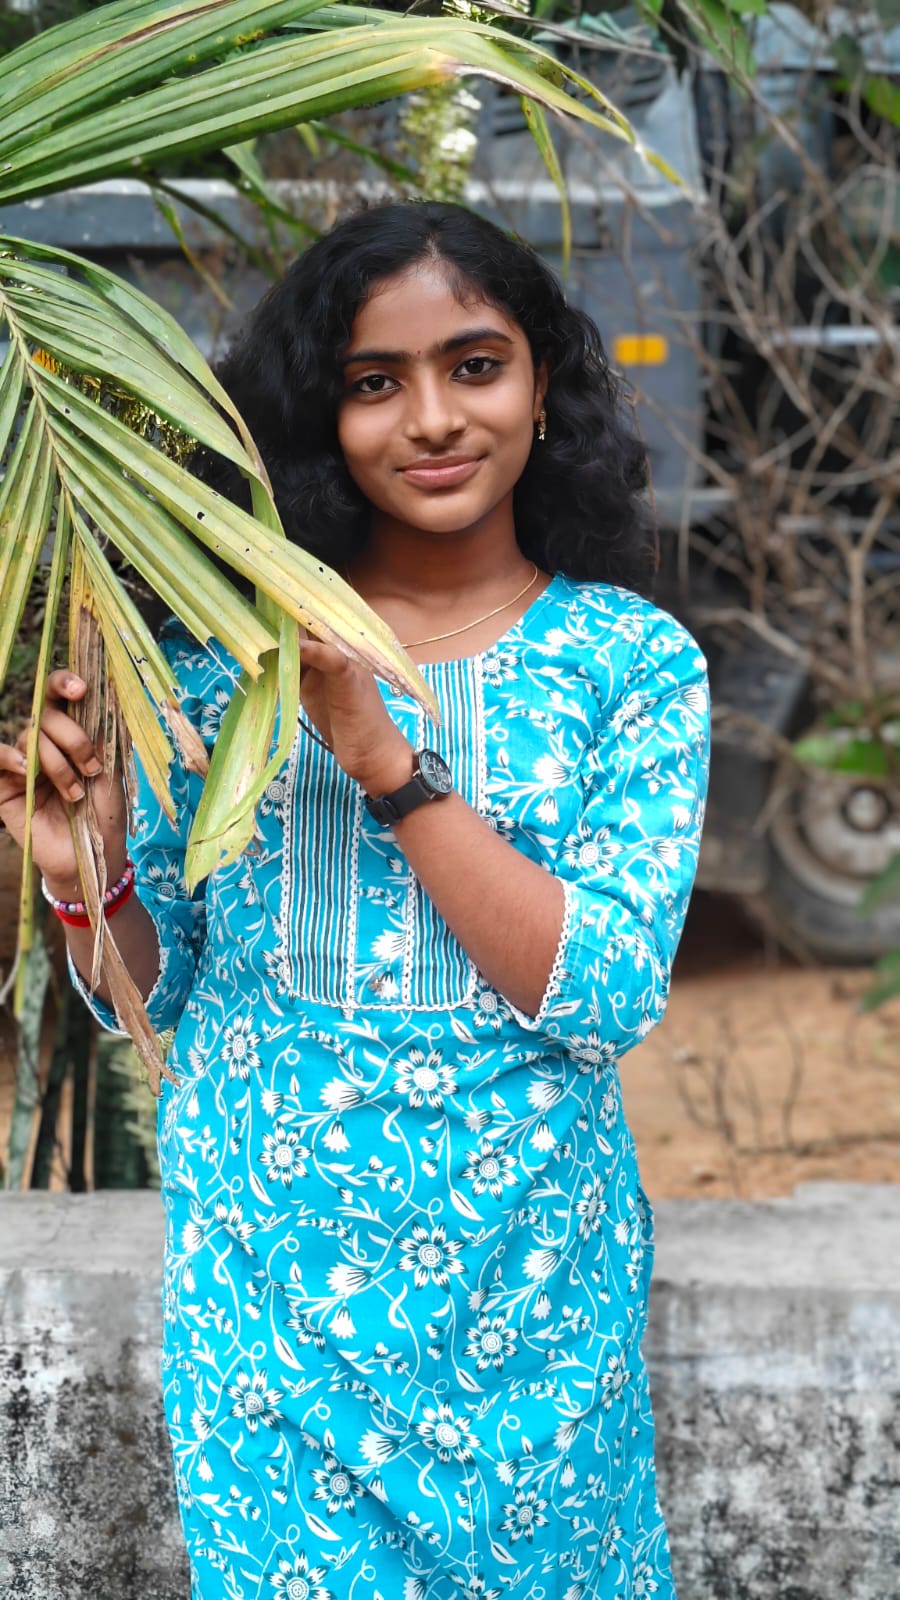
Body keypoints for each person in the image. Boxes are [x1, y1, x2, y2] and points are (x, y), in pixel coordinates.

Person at [0, 201, 710, 1600]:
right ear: (320, 418)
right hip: (272, 1319)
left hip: (532, 1318)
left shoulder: (631, 664)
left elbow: (605, 995)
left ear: (545, 381)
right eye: (374, 383)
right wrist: (89, 881)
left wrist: (384, 759)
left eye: (476, 364)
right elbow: (170, 990)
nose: (432, 419)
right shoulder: (213, 666)